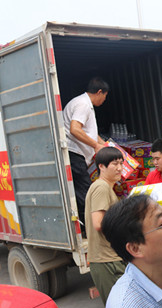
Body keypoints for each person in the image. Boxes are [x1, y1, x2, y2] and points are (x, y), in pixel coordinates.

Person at [63, 77, 109, 229]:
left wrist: (106, 145)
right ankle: (88, 228)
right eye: (105, 96)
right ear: (100, 92)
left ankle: (87, 226)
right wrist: (96, 146)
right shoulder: (83, 104)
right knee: (86, 191)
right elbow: (75, 129)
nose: (104, 100)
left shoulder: (83, 103)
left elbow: (88, 132)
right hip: (73, 153)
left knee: (83, 190)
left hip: (77, 154)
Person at [85, 147, 126, 305]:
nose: (119, 168)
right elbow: (98, 223)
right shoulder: (101, 187)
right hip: (106, 261)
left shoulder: (107, 188)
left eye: (121, 163)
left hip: (111, 257)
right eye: (114, 164)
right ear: (101, 166)